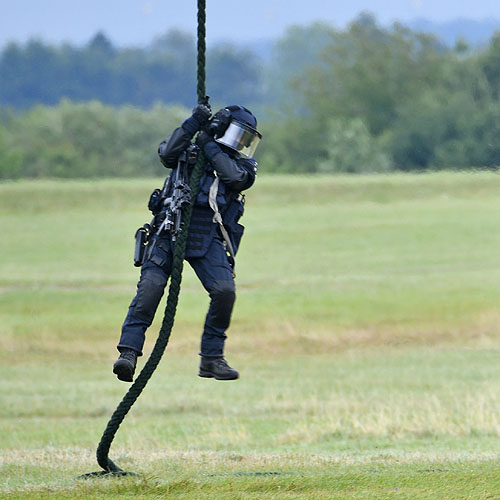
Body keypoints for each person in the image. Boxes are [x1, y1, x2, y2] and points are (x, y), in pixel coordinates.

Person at [112, 102, 262, 382]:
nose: (241, 144)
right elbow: (167, 153)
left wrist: (210, 146)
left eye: (246, 139)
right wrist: (193, 124)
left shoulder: (242, 164)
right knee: (151, 288)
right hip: (170, 228)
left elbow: (235, 178)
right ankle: (128, 353)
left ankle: (212, 359)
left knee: (224, 291)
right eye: (238, 136)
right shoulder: (188, 150)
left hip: (209, 235)